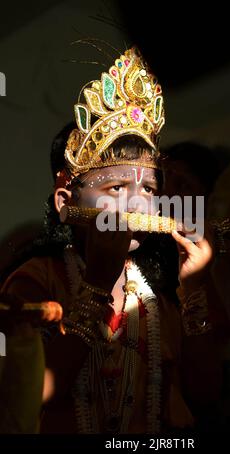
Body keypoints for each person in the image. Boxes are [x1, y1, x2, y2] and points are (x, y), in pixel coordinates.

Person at [0, 46, 214, 434]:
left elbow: (207, 397)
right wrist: (96, 285)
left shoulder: (158, 299)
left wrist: (194, 291)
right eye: (115, 186)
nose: (138, 200)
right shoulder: (36, 282)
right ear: (66, 204)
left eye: (149, 188)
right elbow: (34, 392)